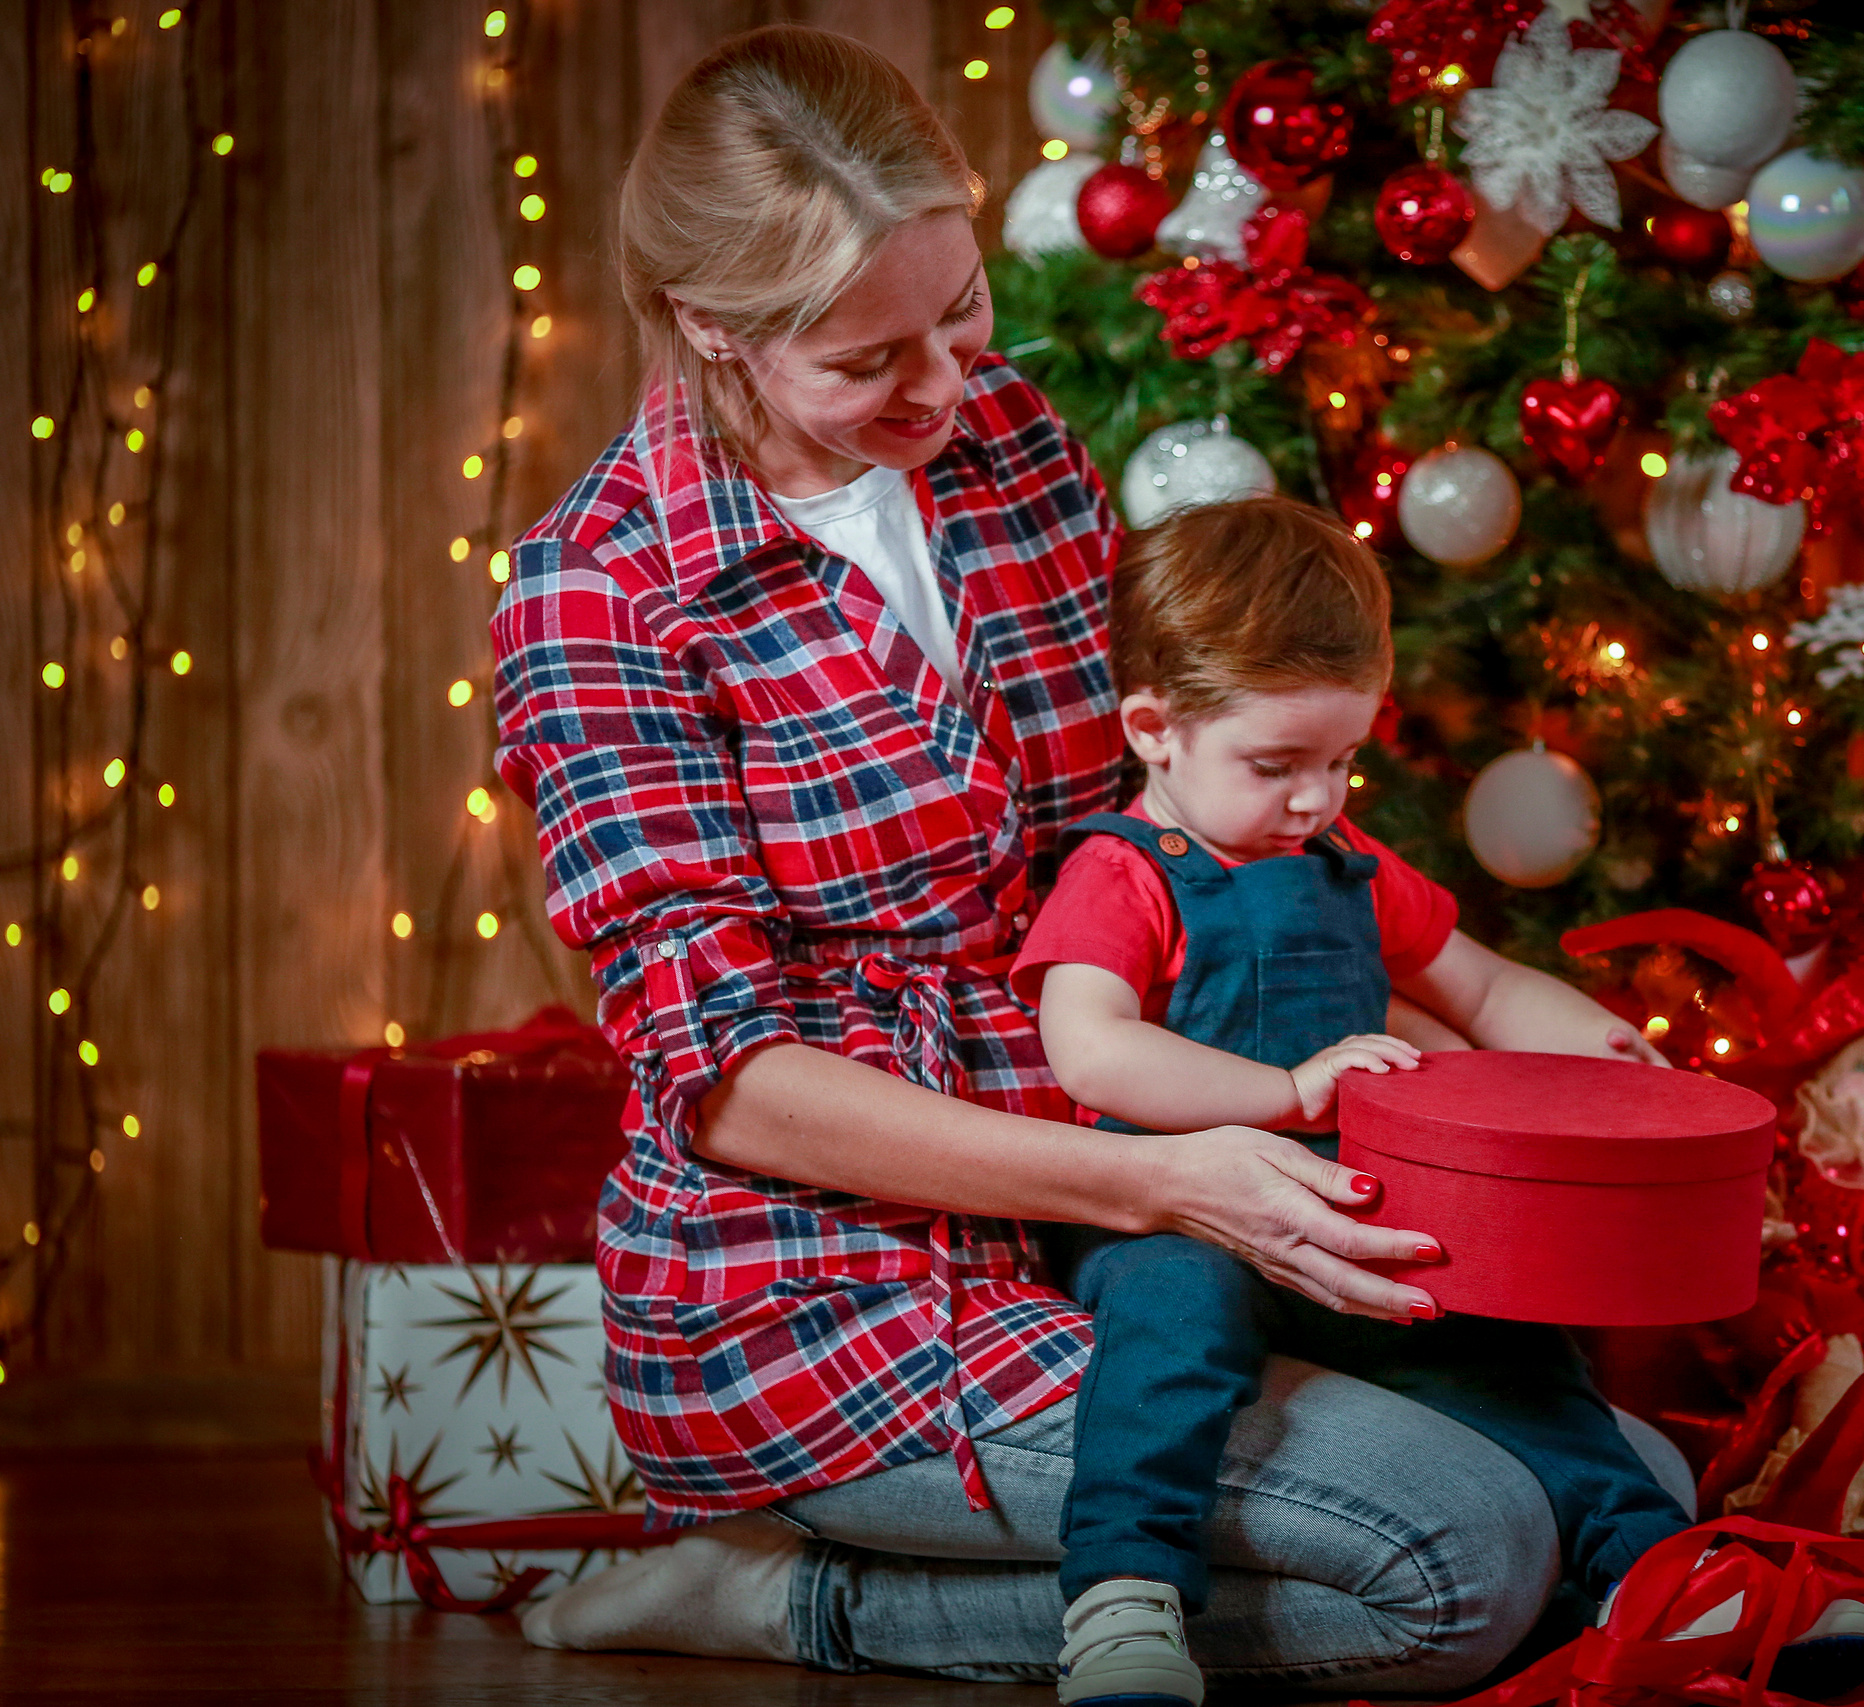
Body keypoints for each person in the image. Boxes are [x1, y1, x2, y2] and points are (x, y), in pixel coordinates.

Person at [489, 25, 1694, 1691]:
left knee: (1646, 1492)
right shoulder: (603, 592)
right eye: (866, 359)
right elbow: (733, 1084)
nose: (945, 386)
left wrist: (1406, 1049)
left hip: (1150, 1179)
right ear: (711, 327)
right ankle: (778, 1593)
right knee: (1470, 1556)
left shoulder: (1015, 451)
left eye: (960, 310)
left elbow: (1151, 841)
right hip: (842, 1282)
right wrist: (1162, 1181)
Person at [1009, 497, 1691, 1704]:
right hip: (1172, 1212)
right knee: (1168, 1346)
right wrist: (1282, 1091)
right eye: (1276, 766)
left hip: (1355, 1206)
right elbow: (1094, 1053)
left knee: (1511, 1349)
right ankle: (1124, 1600)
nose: (1316, 798)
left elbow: (1476, 984)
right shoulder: (1123, 872)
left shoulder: (1341, 863)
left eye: (1340, 762)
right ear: (1155, 730)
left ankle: (1652, 1573)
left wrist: (1598, 1052)